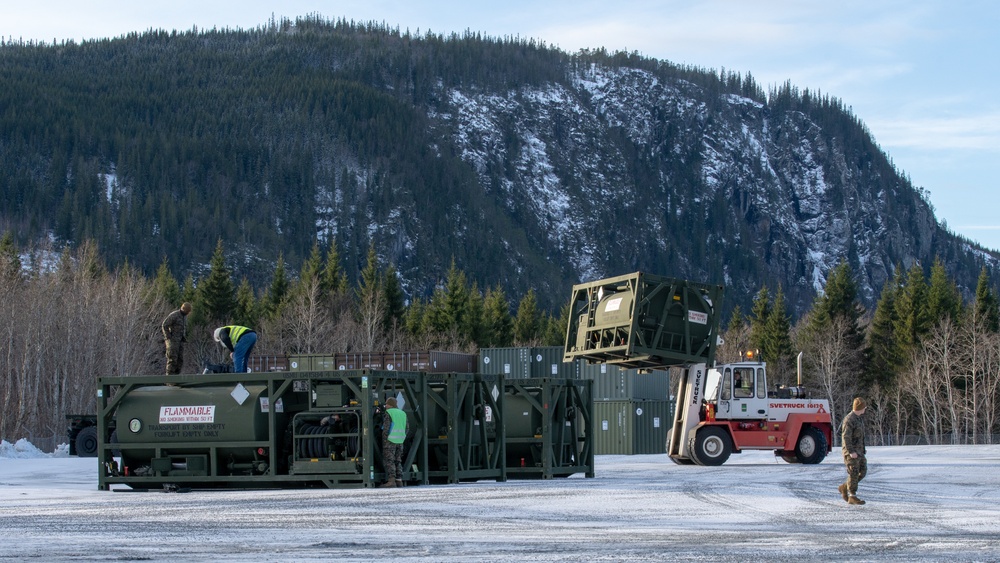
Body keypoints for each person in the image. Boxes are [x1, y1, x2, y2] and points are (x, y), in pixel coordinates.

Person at [839, 397, 868, 505]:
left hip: (859, 452)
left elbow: (860, 436)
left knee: (863, 472)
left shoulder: (858, 418)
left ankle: (844, 487)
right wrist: (851, 451)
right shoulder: (849, 419)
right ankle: (852, 496)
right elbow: (846, 437)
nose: (865, 409)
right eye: (864, 407)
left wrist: (862, 450)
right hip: (851, 452)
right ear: (860, 407)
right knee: (853, 473)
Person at [380, 397, 407, 488]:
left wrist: (384, 439)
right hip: (400, 440)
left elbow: (386, 428)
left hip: (390, 440)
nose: (385, 405)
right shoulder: (403, 413)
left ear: (390, 405)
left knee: (389, 460)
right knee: (398, 460)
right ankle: (399, 480)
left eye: (387, 404)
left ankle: (391, 481)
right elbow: (407, 428)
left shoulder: (389, 413)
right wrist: (403, 437)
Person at [161, 302, 192, 375]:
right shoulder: (174, 315)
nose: (188, 313)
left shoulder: (184, 317)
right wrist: (168, 337)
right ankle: (170, 379)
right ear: (183, 309)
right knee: (172, 360)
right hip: (173, 342)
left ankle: (176, 377)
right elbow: (164, 325)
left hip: (180, 341)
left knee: (180, 360)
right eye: (187, 311)